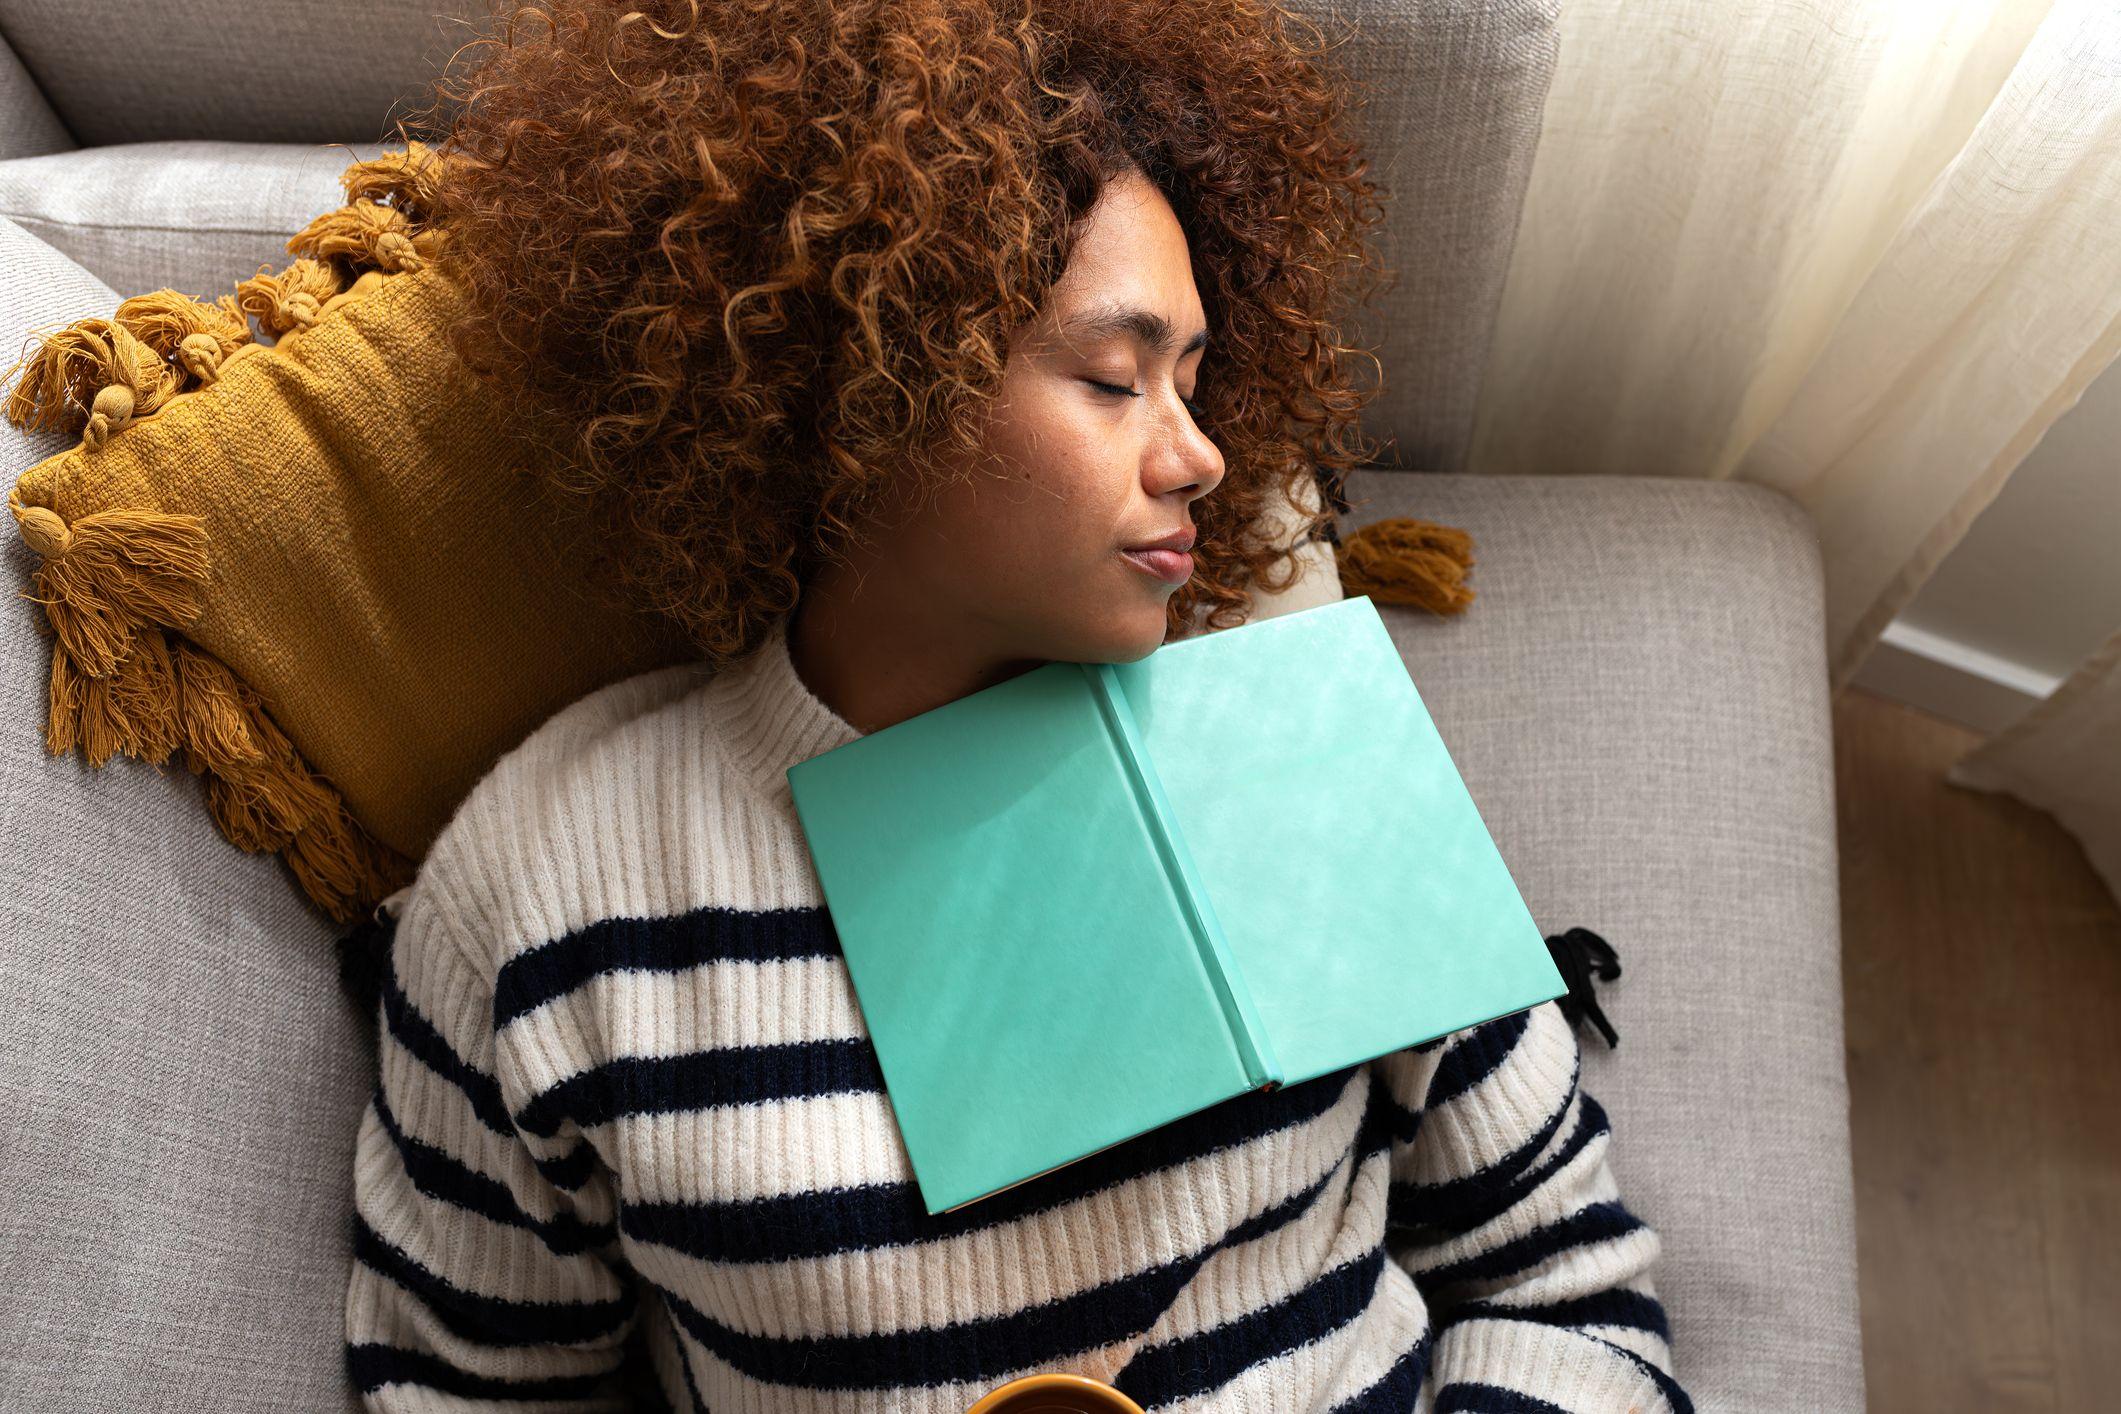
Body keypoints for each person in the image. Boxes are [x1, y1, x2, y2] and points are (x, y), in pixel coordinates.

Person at [342, 0, 1692, 1409]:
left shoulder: (1292, 769)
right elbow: (458, 1386)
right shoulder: (552, 886)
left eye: (1193, 376)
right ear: (868, 382)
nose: (1201, 454)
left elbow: (1563, 1283)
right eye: (1113, 380)